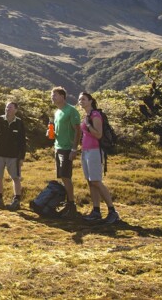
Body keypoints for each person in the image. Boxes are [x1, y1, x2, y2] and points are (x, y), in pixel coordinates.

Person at [77, 91, 120, 224]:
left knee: (96, 181)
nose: (81, 101)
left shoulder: (95, 115)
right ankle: (96, 211)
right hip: (86, 151)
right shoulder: (87, 115)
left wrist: (88, 125)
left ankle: (113, 211)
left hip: (95, 151)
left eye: (83, 99)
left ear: (90, 101)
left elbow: (99, 135)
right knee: (91, 182)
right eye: (79, 100)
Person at [50, 87, 81, 217]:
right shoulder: (57, 112)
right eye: (52, 95)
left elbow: (78, 131)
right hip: (58, 147)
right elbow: (59, 131)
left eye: (55, 95)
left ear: (63, 96)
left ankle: (71, 205)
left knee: (66, 177)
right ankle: (67, 203)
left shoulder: (71, 110)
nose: (52, 97)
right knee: (62, 176)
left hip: (67, 148)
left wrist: (74, 149)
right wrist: (51, 134)